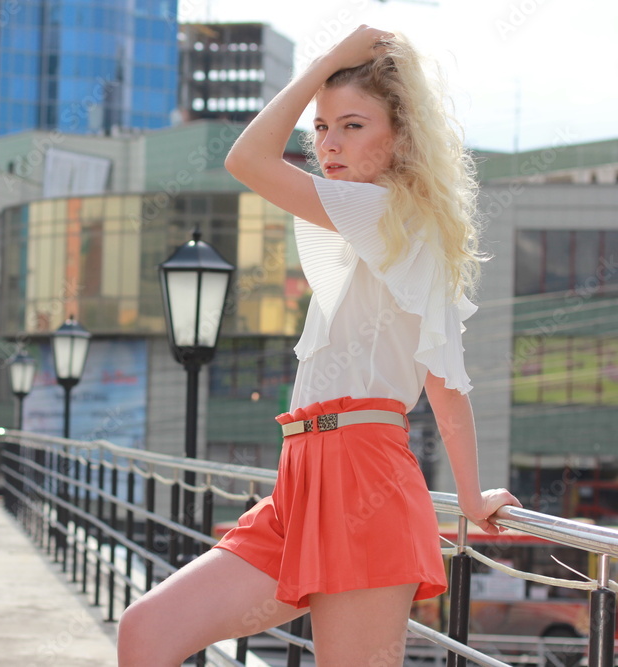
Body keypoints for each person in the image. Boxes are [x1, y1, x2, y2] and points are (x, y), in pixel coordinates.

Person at [117, 25, 521, 667]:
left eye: (353, 126)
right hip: (301, 474)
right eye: (322, 127)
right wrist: (470, 497)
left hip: (364, 478)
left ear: (402, 138)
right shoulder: (384, 226)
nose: (329, 144)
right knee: (146, 631)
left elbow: (247, 160)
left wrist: (327, 61)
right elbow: (444, 380)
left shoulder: (386, 211)